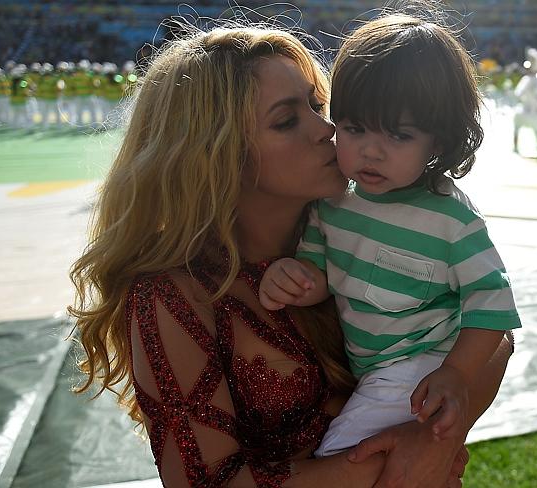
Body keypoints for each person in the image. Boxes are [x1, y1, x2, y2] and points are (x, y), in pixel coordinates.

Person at [69, 19, 514, 488]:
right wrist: (399, 461)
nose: (327, 129)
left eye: (317, 105)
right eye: (286, 120)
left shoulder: (356, 225)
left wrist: (434, 439)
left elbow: (492, 333)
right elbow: (205, 481)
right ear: (217, 154)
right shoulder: (173, 293)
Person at [259, 13, 521, 457]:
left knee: (342, 455)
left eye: (398, 135)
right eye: (354, 128)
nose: (371, 151)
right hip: (369, 369)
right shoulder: (332, 203)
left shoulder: (451, 218)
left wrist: (457, 373)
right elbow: (320, 273)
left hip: (422, 366)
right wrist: (294, 278)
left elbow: (492, 305)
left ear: (439, 142)